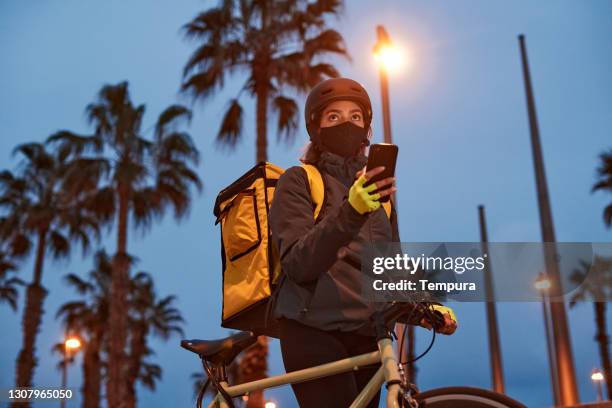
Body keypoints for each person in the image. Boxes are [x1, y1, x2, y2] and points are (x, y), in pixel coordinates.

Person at [269, 78, 457, 408]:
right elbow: (299, 263)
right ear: (316, 128)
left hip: (370, 333)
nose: (346, 124)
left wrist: (425, 307)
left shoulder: (380, 199)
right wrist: (351, 210)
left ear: (367, 130)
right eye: (333, 117)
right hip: (313, 329)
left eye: (356, 117)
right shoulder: (298, 181)